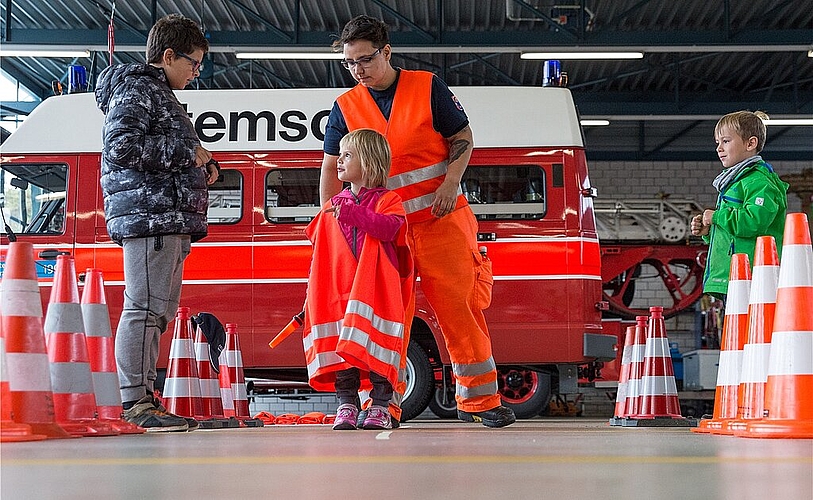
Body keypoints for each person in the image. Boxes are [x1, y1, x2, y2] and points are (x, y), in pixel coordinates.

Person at [320, 15, 516, 428]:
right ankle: (383, 406)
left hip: (442, 221)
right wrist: (330, 225)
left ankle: (480, 402)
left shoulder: (428, 87)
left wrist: (451, 184)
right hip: (383, 233)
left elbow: (463, 139)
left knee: (461, 310)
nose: (358, 70)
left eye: (365, 60)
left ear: (386, 52)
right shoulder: (345, 106)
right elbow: (331, 168)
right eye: (349, 63)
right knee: (388, 318)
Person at [95, 13, 220, 432]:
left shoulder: (157, 92)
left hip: (166, 218)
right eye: (193, 63)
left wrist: (203, 164)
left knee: (157, 311)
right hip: (151, 219)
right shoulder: (139, 88)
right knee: (145, 309)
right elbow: (122, 146)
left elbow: (155, 147)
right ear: (168, 55)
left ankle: (145, 397)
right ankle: (134, 400)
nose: (196, 72)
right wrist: (188, 155)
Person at [303, 129, 413, 430]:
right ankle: (346, 405)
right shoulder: (333, 206)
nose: (338, 160)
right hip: (338, 294)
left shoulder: (388, 200)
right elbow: (319, 253)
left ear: (369, 162)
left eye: (347, 155)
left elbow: (391, 230)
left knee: (377, 353)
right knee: (344, 357)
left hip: (377, 295)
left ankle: (379, 405)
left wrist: (353, 214)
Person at [691, 110, 789, 300]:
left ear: (750, 143)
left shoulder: (759, 183)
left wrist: (717, 217)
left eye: (726, 141)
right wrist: (709, 232)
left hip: (753, 278)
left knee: (750, 329)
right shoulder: (735, 183)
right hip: (736, 277)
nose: (719, 148)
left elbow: (754, 222)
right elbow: (736, 235)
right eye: (717, 143)